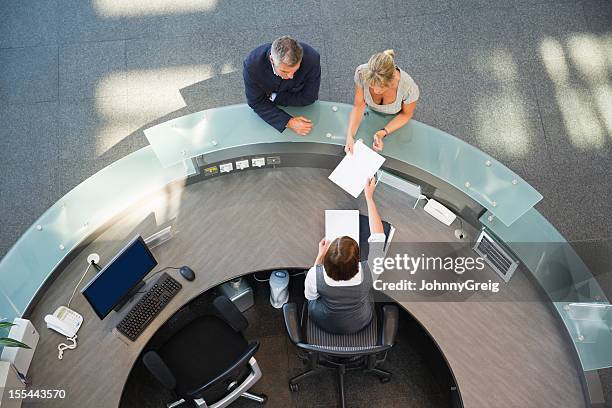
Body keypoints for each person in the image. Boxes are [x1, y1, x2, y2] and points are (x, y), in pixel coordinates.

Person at [304, 178, 386, 334]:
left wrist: (319, 257)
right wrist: (369, 197)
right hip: (359, 321)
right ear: (357, 261)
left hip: (325, 320)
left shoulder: (315, 274)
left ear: (327, 261)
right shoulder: (371, 271)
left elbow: (310, 297)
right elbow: (379, 235)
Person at [243, 36, 321, 136]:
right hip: (293, 96)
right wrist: (289, 122)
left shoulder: (312, 59)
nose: (291, 76)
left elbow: (309, 97)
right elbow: (256, 102)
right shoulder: (252, 65)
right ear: (271, 59)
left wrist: (272, 97)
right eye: (284, 71)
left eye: (295, 70)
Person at [345, 50, 419, 154]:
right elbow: (359, 105)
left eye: (380, 89)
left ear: (391, 82)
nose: (375, 91)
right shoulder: (362, 73)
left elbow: (406, 115)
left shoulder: (408, 88)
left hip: (395, 121)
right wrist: (350, 136)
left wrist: (383, 132)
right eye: (371, 86)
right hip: (369, 117)